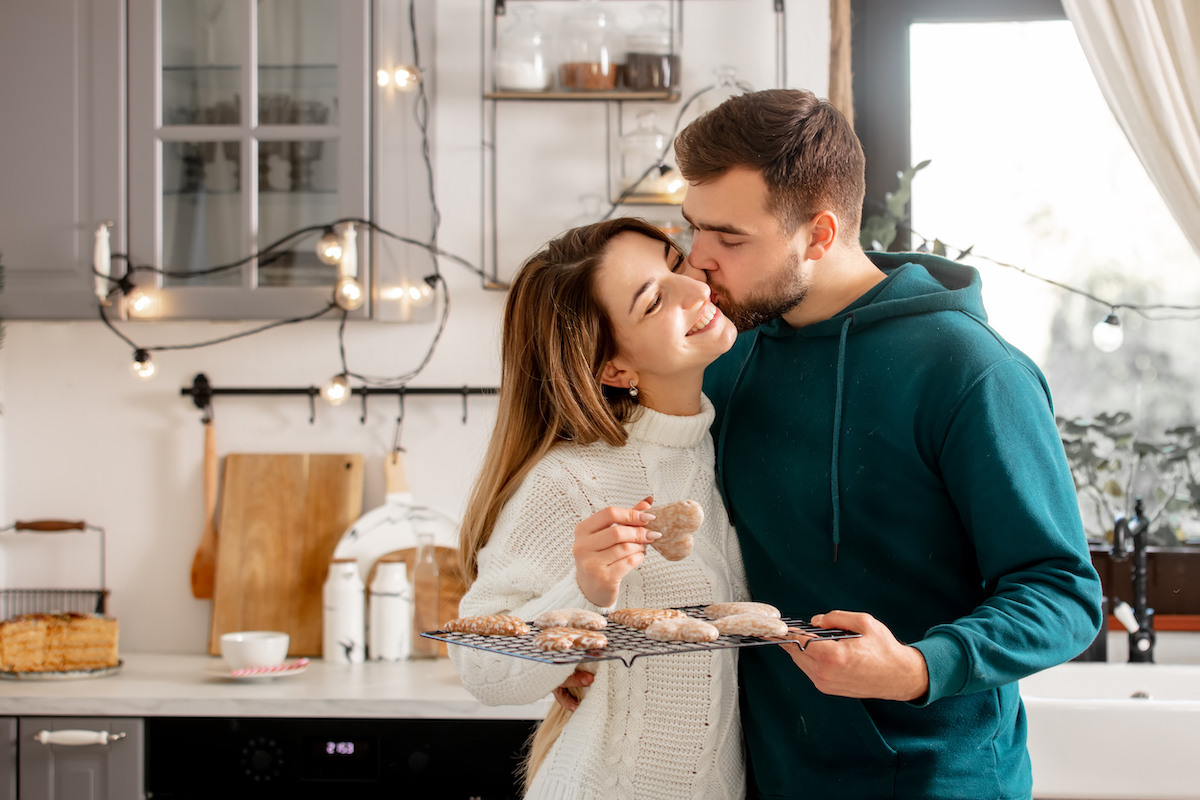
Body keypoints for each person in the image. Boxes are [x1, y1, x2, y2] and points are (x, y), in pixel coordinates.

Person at [670, 89, 1104, 799]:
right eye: (694, 228)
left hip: (938, 778)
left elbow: (1062, 592)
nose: (698, 260)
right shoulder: (728, 353)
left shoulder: (971, 370)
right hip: (764, 775)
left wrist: (918, 667)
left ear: (819, 233)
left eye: (729, 237)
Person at [450, 217, 750, 799]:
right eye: (654, 300)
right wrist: (584, 597)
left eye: (674, 261)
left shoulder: (725, 445)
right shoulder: (569, 480)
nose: (695, 289)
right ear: (615, 368)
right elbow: (481, 667)